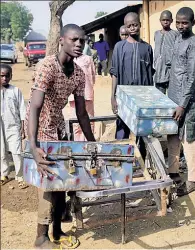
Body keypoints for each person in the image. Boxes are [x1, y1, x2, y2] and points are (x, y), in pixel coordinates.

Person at [25, 24, 95, 249]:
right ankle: (40, 237)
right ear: (62, 41)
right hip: (40, 128)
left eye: (82, 41)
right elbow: (35, 107)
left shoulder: (78, 74)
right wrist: (34, 147)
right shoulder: (47, 66)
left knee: (63, 180)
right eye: (74, 40)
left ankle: (56, 230)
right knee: (48, 182)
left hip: (57, 128)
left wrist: (92, 142)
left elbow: (82, 113)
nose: (79, 44)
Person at [167, 7, 195, 196]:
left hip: (186, 101)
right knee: (172, 133)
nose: (181, 26)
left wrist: (183, 104)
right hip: (173, 95)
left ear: (193, 23)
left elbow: (192, 77)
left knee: (188, 136)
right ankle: (173, 172)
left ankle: (193, 179)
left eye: (185, 23)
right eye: (178, 23)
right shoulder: (177, 39)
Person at [110, 12, 154, 160]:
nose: (132, 28)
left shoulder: (147, 48)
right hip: (124, 96)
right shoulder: (119, 47)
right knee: (122, 129)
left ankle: (141, 161)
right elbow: (115, 73)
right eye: (129, 26)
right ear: (126, 27)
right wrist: (113, 97)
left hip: (142, 97)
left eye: (135, 24)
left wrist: (150, 99)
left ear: (140, 24)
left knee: (142, 131)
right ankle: (121, 161)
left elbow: (150, 76)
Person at [0, 64, 28, 189]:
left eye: (7, 76)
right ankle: (4, 174)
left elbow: (22, 109)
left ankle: (19, 175)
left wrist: (23, 127)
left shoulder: (15, 91)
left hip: (13, 126)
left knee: (16, 152)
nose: (4, 78)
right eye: (2, 76)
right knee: (1, 152)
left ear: (11, 76)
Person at [68, 53, 95, 141]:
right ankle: (78, 145)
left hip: (87, 94)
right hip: (73, 97)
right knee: (76, 123)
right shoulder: (68, 59)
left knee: (89, 121)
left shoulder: (88, 59)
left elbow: (93, 76)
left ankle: (89, 145)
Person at [153, 10, 179, 94]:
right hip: (158, 70)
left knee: (172, 96)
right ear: (160, 20)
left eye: (167, 20)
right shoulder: (156, 33)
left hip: (170, 70)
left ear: (171, 20)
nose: (165, 22)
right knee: (159, 96)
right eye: (163, 20)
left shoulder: (175, 34)